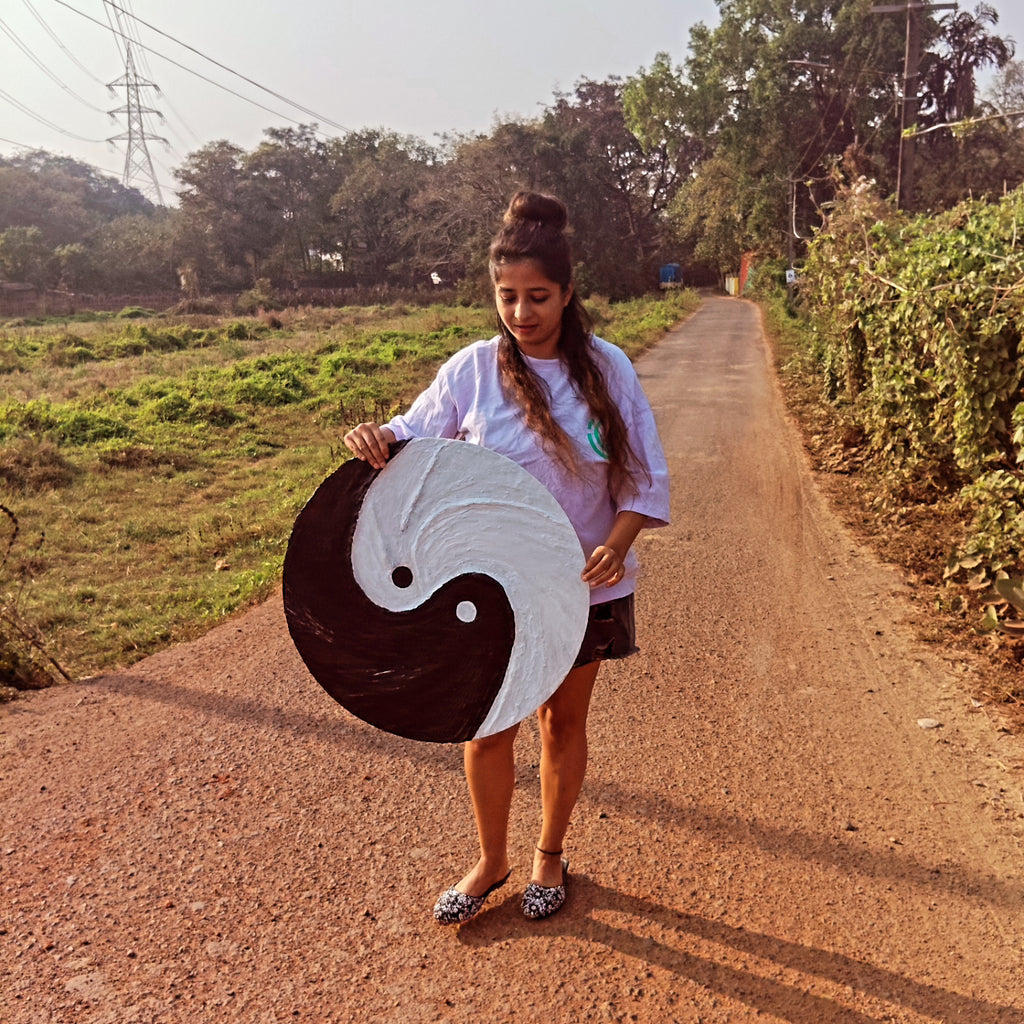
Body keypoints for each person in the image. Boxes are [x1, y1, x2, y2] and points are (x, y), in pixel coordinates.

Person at [343, 190, 670, 924]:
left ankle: (549, 852)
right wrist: (374, 438)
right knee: (488, 724)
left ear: (568, 292)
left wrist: (616, 546)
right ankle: (491, 859)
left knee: (561, 723)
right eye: (507, 297)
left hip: (580, 588)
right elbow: (413, 433)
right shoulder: (473, 370)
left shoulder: (608, 368)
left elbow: (643, 475)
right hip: (489, 591)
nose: (521, 313)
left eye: (538, 297)